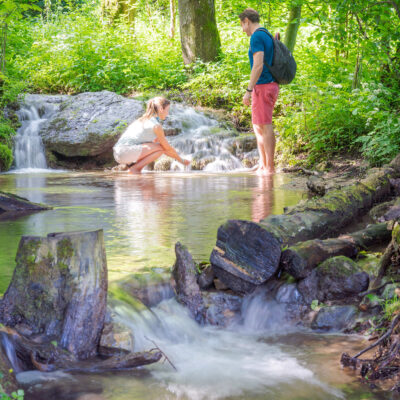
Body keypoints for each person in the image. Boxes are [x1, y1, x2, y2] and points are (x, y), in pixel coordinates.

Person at [239, 8, 280, 175]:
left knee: (264, 125)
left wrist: (248, 90)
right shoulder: (266, 33)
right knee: (258, 126)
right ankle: (263, 164)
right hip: (267, 85)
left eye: (242, 25)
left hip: (263, 85)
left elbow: (258, 65)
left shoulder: (257, 36)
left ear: (247, 21)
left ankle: (269, 167)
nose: (242, 29)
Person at [113, 97, 190, 174]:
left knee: (159, 147)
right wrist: (181, 160)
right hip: (125, 152)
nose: (167, 113)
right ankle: (135, 169)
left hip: (117, 152)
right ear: (161, 109)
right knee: (161, 147)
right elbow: (166, 148)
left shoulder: (142, 120)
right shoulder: (156, 125)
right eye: (167, 110)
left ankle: (132, 167)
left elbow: (162, 149)